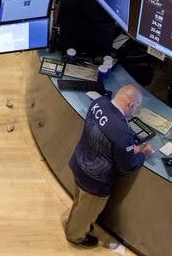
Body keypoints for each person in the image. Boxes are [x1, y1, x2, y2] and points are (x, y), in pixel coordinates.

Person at [64, 85, 154, 247]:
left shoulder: (99, 103)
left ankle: (73, 222)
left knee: (80, 201)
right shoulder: (122, 132)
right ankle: (75, 235)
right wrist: (142, 153)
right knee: (88, 209)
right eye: (138, 107)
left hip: (80, 162)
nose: (137, 111)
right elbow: (127, 165)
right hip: (96, 180)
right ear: (130, 104)